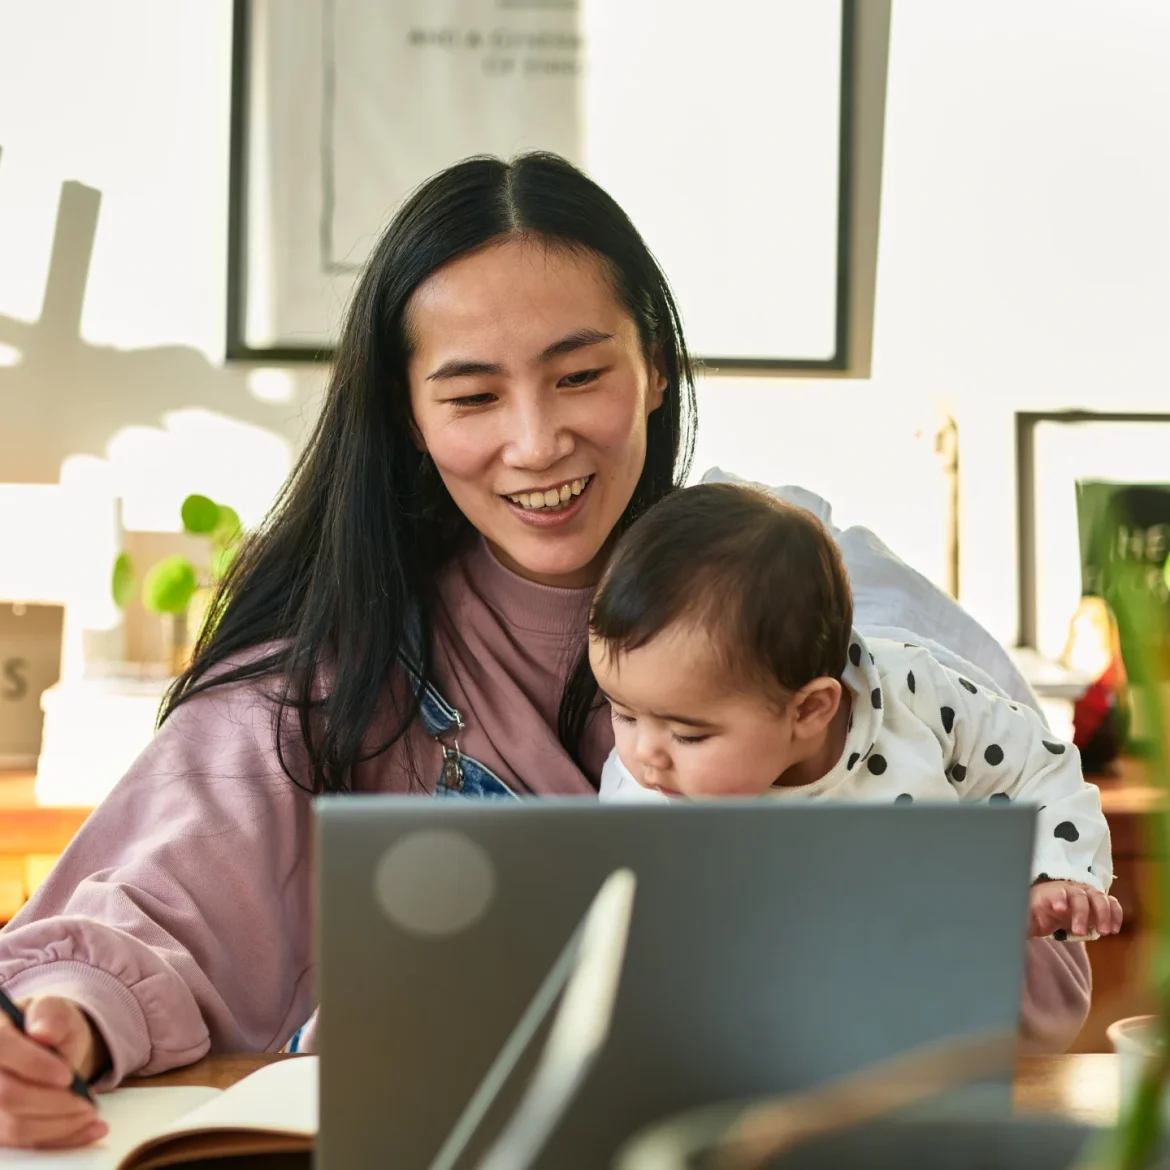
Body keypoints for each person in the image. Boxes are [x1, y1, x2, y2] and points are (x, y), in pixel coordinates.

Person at [0, 152, 1093, 1151]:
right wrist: (62, 1024)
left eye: (579, 377)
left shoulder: (831, 596)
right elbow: (138, 909)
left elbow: (1031, 904)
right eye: (473, 395)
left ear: (655, 367)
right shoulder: (332, 669)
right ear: (410, 418)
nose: (536, 442)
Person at [591, 483, 1123, 942]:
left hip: (922, 988)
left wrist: (1057, 877)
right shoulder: (644, 797)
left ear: (810, 710)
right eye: (625, 715)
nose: (644, 757)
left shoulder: (916, 695)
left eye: (688, 736)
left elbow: (1039, 767)